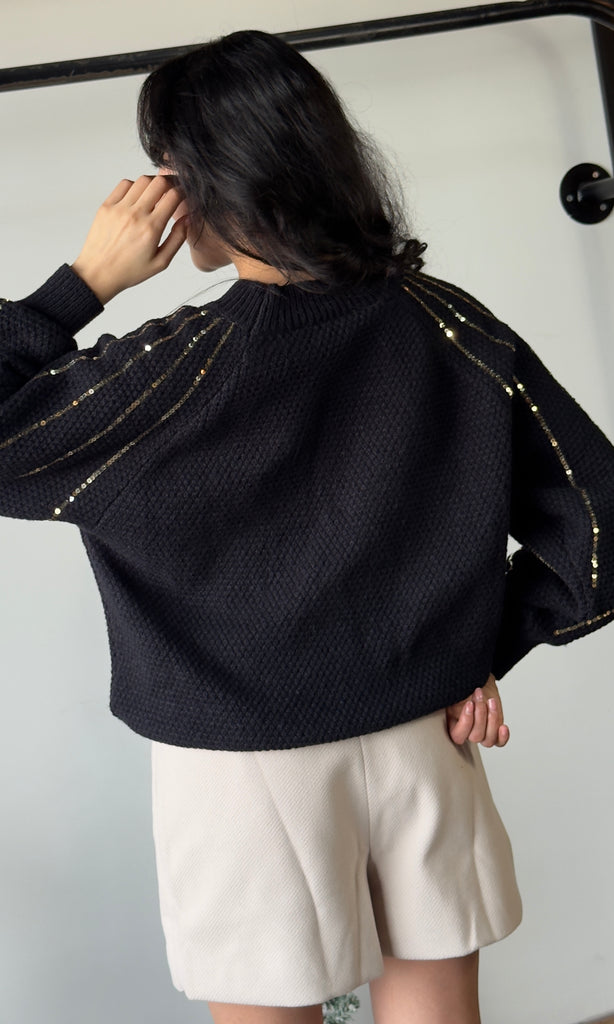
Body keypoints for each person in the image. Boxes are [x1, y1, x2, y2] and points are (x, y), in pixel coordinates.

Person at [1, 28, 614, 1024]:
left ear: (207, 179)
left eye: (166, 164)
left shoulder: (171, 374)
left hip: (243, 771)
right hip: (425, 736)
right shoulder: (448, 323)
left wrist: (82, 283)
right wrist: (477, 650)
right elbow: (600, 519)